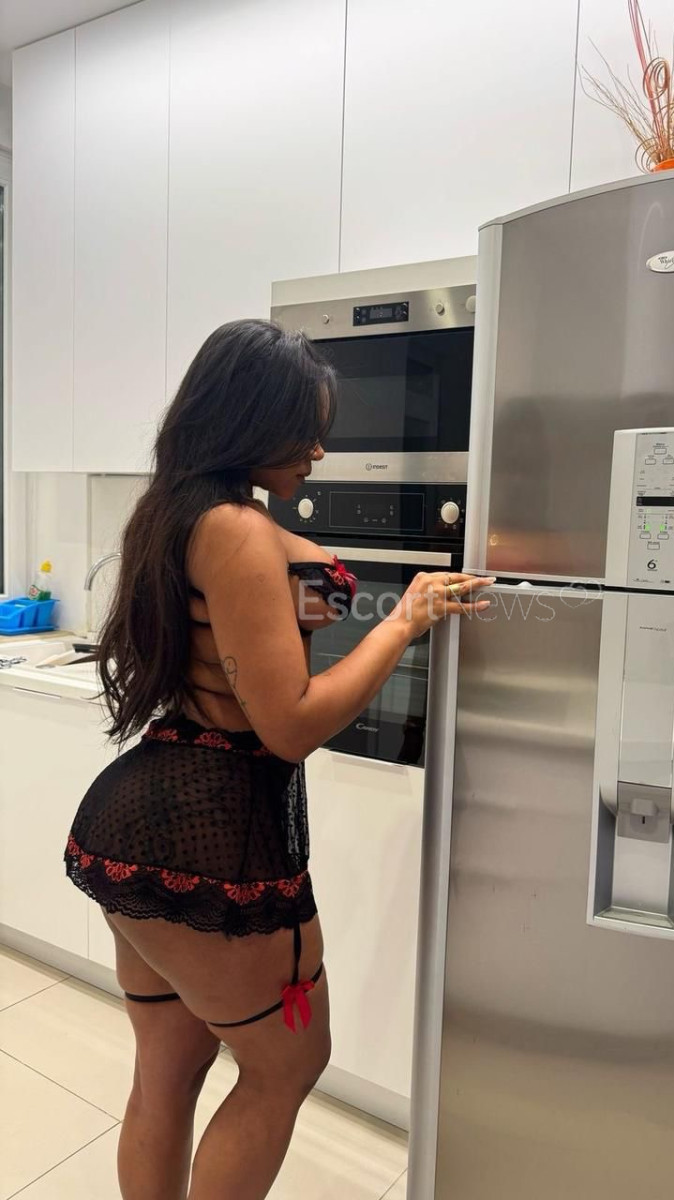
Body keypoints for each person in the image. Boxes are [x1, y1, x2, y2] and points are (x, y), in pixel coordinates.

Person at [62, 318, 493, 1200]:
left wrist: (326, 581)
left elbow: (294, 599)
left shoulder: (180, 515)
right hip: (214, 835)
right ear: (248, 423)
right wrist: (403, 620)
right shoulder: (237, 531)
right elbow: (289, 726)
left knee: (166, 1074)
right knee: (287, 1066)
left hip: (136, 819)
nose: (319, 451)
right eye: (303, 432)